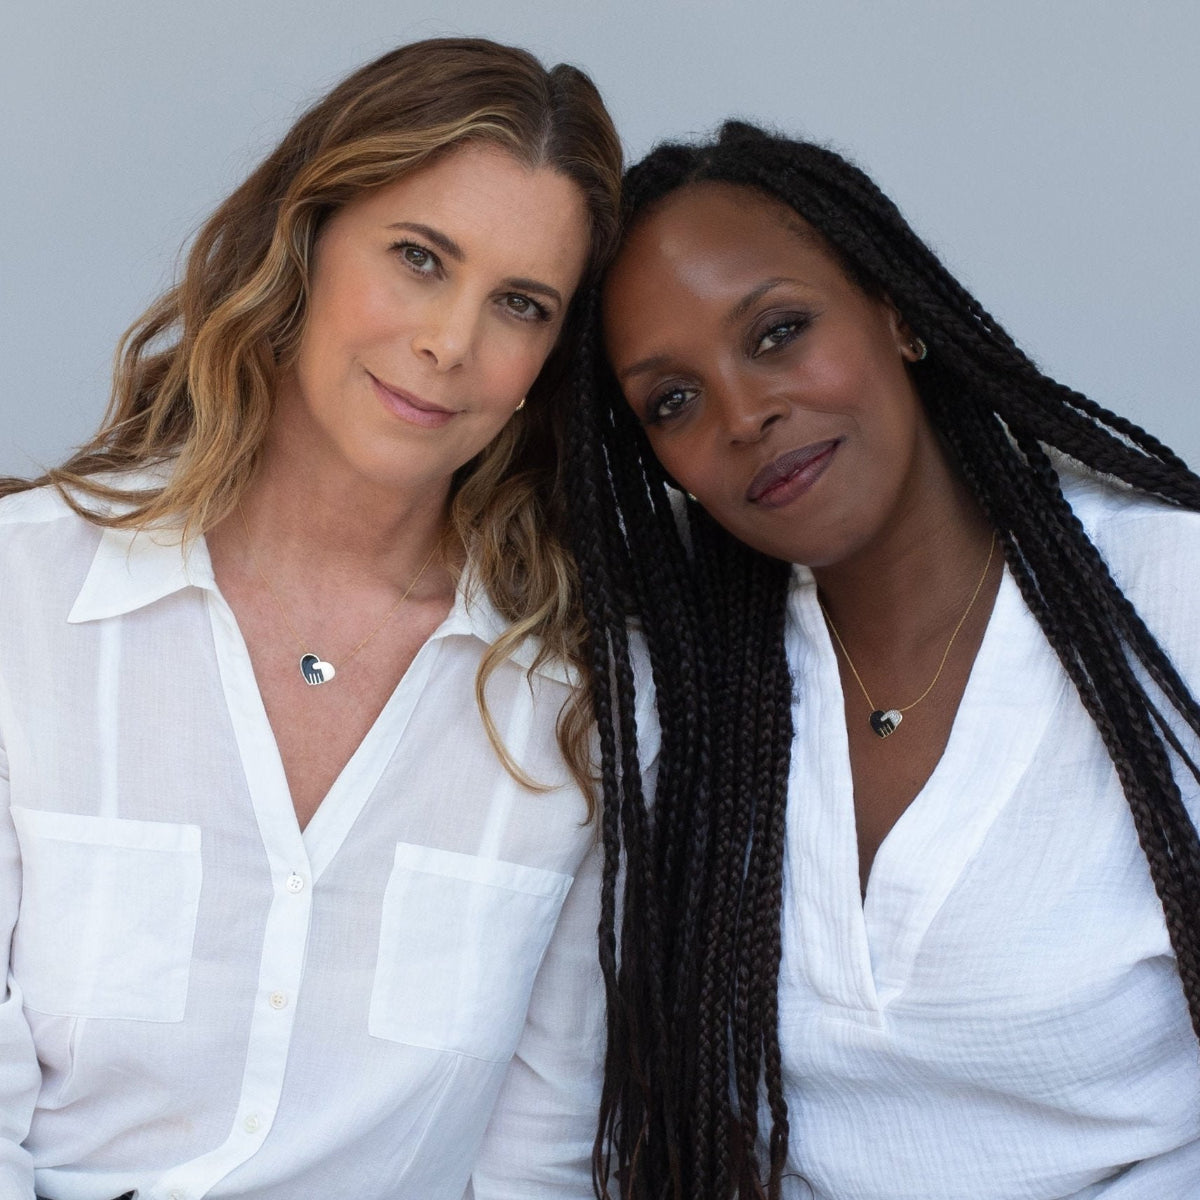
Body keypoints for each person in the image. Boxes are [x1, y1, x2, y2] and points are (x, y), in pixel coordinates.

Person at [0, 37, 630, 1200]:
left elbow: (537, 1160)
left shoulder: (575, 698)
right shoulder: (22, 601)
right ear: (302, 246)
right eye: (418, 257)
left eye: (522, 304)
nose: (450, 342)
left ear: (554, 357)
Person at [567, 121, 1200, 1198]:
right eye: (673, 400)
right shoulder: (669, 680)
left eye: (777, 331)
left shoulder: (1170, 599)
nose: (745, 411)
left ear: (896, 312)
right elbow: (579, 1129)